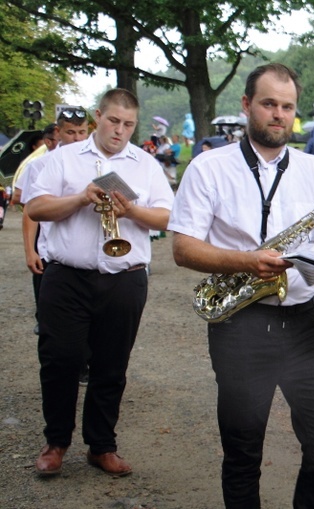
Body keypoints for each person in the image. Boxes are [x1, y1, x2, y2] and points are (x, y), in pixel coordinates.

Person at [168, 63, 314, 508]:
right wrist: (246, 261)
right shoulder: (208, 168)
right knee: (243, 449)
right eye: (269, 104)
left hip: (306, 321)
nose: (279, 115)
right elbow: (183, 248)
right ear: (248, 105)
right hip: (241, 321)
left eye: (287, 107)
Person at [25, 88, 174, 477]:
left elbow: (168, 218)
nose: (119, 131)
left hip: (124, 278)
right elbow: (35, 207)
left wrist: (133, 210)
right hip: (67, 276)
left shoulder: (146, 164)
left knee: (112, 365)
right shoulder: (62, 159)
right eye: (113, 121)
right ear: (98, 117)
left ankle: (101, 446)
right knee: (61, 359)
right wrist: (79, 199)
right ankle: (56, 441)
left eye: (128, 124)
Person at [14, 108, 89, 340]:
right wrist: (30, 251)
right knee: (55, 317)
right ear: (58, 132)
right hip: (51, 251)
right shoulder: (39, 165)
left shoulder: (96, 163)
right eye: (70, 132)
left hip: (86, 251)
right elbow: (29, 210)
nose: (76, 138)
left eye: (82, 132)